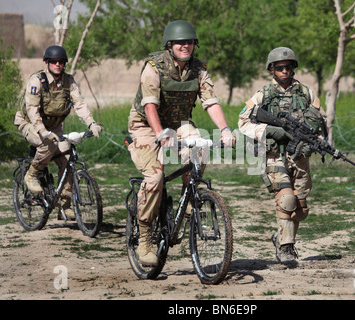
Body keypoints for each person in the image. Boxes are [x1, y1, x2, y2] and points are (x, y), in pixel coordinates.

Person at [127, 20, 235, 266]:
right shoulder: (154, 68)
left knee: (202, 146)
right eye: (179, 43)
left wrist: (225, 129)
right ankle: (144, 238)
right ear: (169, 45)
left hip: (179, 122)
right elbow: (150, 106)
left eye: (189, 42)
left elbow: (211, 102)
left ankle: (190, 198)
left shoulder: (199, 70)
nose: (185, 46)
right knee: (155, 177)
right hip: (146, 124)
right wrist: (161, 134)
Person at [238, 47, 327, 263]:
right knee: (286, 200)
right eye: (280, 68)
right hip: (274, 154)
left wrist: (316, 143)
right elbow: (243, 122)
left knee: (300, 208)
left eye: (288, 67)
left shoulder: (306, 93)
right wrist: (269, 131)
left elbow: (321, 120)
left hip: (299, 155)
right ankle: (286, 248)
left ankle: (281, 239)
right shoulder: (263, 94)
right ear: (271, 69)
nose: (285, 71)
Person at [14, 45, 103, 220]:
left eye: (61, 62)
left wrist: (91, 123)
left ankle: (65, 205)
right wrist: (43, 132)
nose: (57, 64)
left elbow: (79, 104)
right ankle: (31, 174)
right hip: (30, 124)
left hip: (55, 128)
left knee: (68, 161)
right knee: (49, 143)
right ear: (47, 62)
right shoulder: (37, 81)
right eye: (53, 61)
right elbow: (32, 110)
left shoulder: (69, 81)